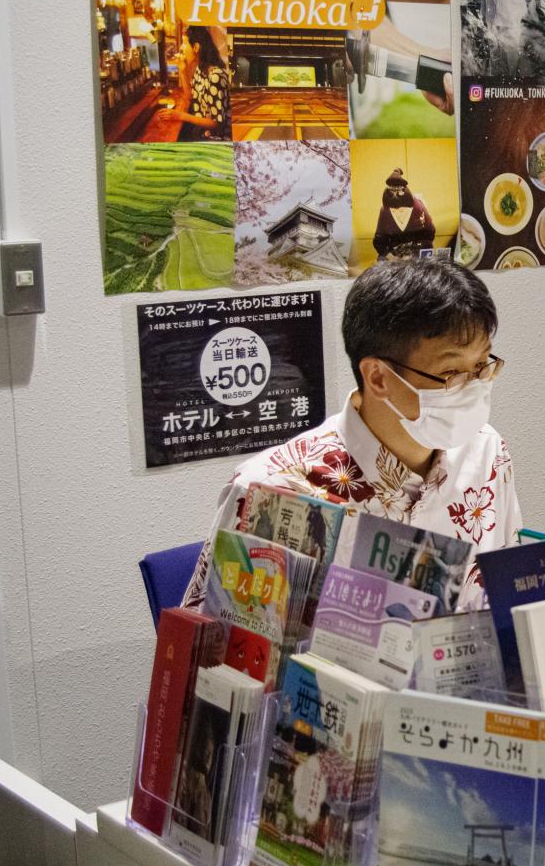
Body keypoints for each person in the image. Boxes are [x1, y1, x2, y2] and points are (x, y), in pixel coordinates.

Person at [183, 258, 520, 611]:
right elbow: (209, 656)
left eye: (482, 366)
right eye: (452, 371)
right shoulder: (271, 489)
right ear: (377, 377)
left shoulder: (487, 453)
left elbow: (510, 598)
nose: (474, 387)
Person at [164, 25, 231, 141]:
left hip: (216, 139)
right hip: (202, 133)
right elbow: (190, 97)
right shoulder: (201, 69)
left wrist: (180, 115)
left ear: (196, 47)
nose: (181, 48)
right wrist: (183, 71)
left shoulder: (216, 76)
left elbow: (217, 124)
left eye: (185, 43)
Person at [372, 168, 437, 259]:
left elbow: (429, 233)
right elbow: (379, 239)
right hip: (394, 252)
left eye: (402, 210)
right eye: (394, 210)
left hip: (416, 250)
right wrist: (388, 255)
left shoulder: (418, 207)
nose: (398, 213)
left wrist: (415, 253)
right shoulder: (384, 210)